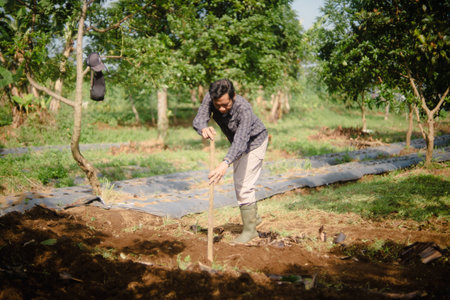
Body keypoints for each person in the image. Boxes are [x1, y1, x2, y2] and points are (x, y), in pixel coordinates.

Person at [193, 79, 268, 244]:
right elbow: (199, 119)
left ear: (233, 96)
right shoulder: (211, 98)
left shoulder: (244, 109)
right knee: (240, 182)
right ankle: (253, 219)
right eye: (217, 105)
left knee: (244, 185)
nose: (221, 109)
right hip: (237, 143)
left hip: (255, 142)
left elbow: (241, 141)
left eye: (225, 105)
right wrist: (203, 129)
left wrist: (224, 163)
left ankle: (250, 231)